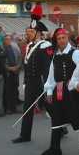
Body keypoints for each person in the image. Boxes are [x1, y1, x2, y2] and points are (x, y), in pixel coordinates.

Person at [12, 8, 52, 144]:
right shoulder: (30, 46)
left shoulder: (45, 46)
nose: (28, 34)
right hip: (31, 82)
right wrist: (25, 82)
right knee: (27, 107)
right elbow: (27, 65)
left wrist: (48, 85)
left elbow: (47, 68)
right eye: (28, 31)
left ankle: (61, 128)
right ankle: (25, 135)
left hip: (41, 82)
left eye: (31, 32)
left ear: (38, 33)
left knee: (50, 107)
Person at [42, 28, 79, 155]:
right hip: (58, 90)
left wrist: (75, 82)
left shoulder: (75, 53)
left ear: (68, 38)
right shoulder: (56, 54)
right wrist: (48, 90)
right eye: (58, 39)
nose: (61, 40)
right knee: (56, 118)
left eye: (63, 38)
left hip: (72, 91)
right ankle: (55, 148)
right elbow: (51, 75)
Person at [3, 35, 23, 114]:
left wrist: (17, 67)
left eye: (9, 39)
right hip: (7, 73)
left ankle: (14, 107)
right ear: (4, 41)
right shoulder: (2, 49)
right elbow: (2, 62)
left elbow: (19, 57)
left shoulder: (14, 48)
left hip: (15, 72)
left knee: (15, 90)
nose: (8, 41)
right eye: (6, 39)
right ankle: (8, 108)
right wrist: (9, 68)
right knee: (8, 91)